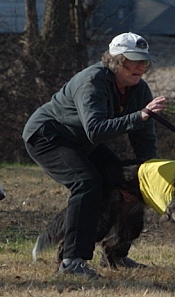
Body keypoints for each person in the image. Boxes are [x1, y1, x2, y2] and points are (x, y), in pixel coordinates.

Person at [22, 32, 167, 279]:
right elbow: (96, 130)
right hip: (48, 136)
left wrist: (147, 171)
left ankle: (116, 254)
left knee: (131, 182)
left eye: (144, 61)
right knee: (87, 182)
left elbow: (144, 139)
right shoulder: (92, 82)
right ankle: (71, 261)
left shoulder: (139, 89)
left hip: (83, 141)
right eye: (134, 60)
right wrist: (139, 116)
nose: (142, 66)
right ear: (115, 61)